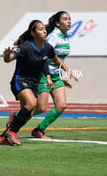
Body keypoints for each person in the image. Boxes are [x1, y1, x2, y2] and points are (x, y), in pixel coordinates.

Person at [0, 19, 76, 146]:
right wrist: (7, 55)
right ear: (33, 33)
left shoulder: (47, 47)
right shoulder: (25, 47)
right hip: (20, 80)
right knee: (31, 104)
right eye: (40, 29)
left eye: (44, 29)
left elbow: (55, 60)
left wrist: (67, 70)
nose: (44, 31)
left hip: (34, 83)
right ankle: (12, 133)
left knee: (28, 114)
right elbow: (8, 60)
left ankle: (3, 137)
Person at [31, 11, 73, 139]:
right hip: (45, 74)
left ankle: (39, 130)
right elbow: (44, 55)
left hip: (56, 76)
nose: (69, 21)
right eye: (65, 19)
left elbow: (58, 59)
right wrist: (47, 75)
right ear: (57, 23)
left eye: (69, 19)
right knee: (41, 108)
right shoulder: (54, 36)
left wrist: (61, 76)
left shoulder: (65, 36)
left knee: (61, 105)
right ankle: (16, 117)